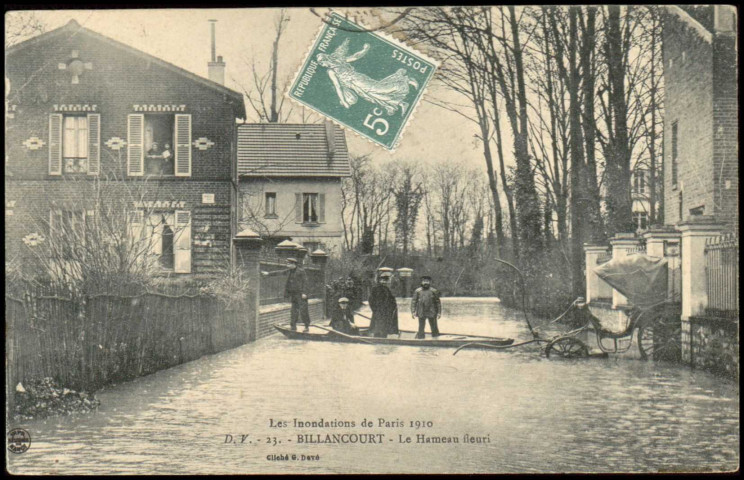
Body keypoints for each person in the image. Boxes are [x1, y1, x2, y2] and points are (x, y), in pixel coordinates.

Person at [368, 271, 399, 338]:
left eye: (385, 281)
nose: (384, 282)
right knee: (378, 328)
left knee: (385, 328)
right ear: (380, 281)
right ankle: (378, 341)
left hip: (386, 313)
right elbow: (371, 301)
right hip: (378, 312)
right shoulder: (375, 289)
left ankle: (383, 340)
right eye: (382, 280)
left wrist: (393, 308)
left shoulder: (387, 289)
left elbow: (391, 300)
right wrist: (375, 310)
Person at [284, 257, 310, 332]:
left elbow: (305, 282)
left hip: (301, 295)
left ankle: (306, 326)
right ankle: (293, 326)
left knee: (303, 311)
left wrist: (304, 293)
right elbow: (280, 272)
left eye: (288, 263)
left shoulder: (301, 271)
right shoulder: (289, 271)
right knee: (293, 311)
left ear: (293, 264)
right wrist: (268, 273)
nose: (287, 265)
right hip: (294, 295)